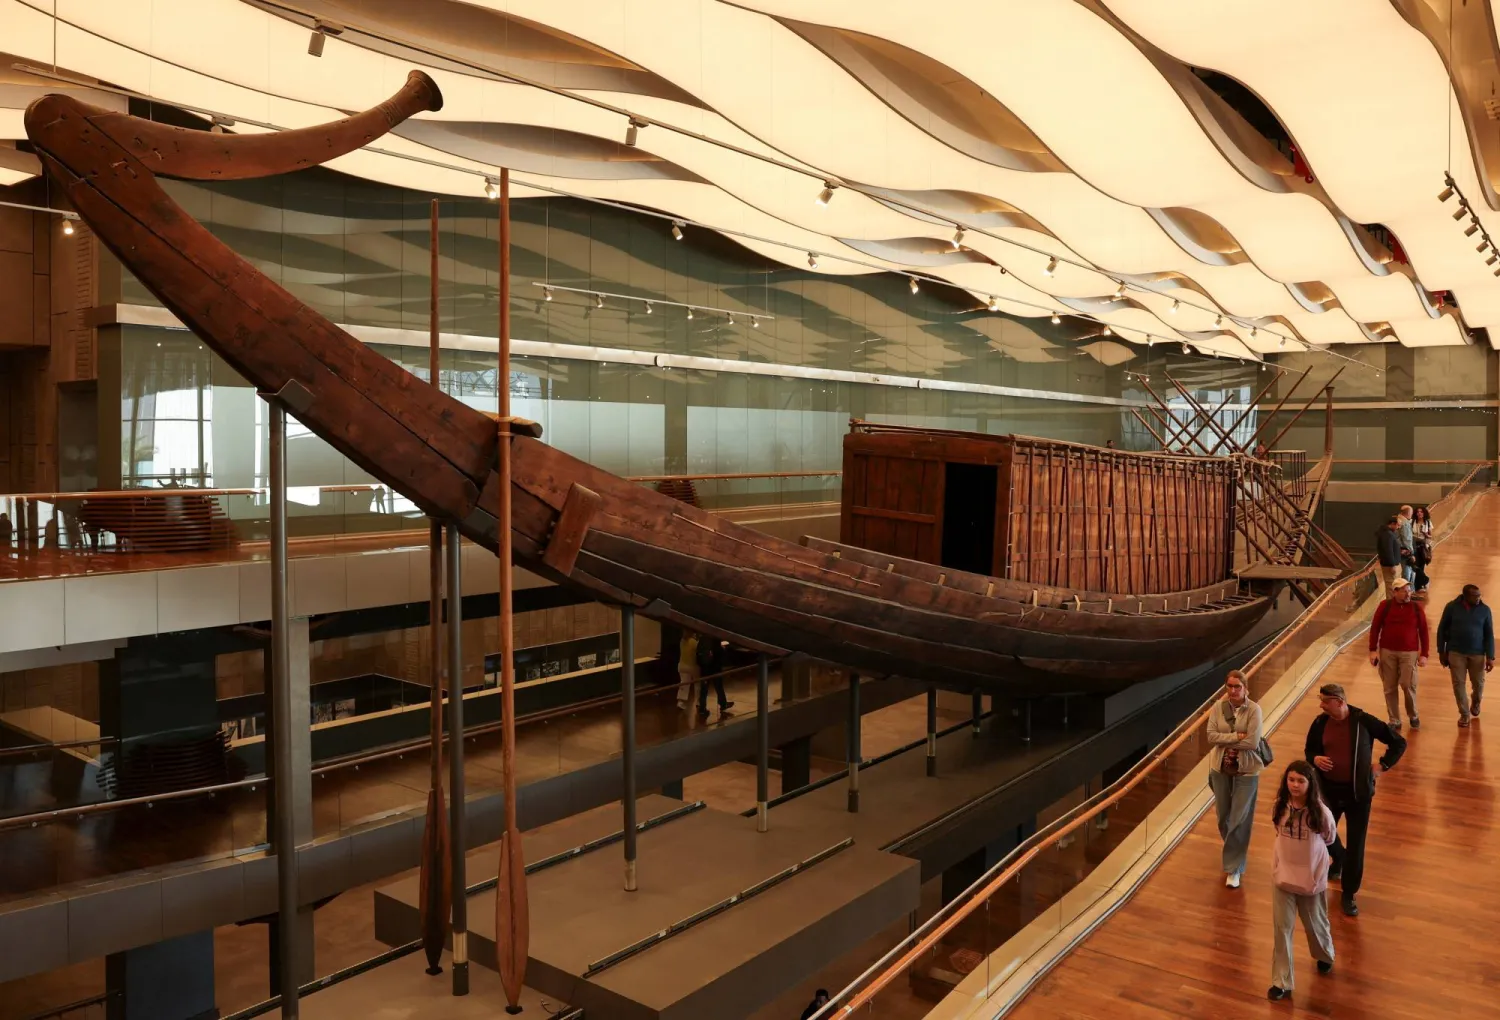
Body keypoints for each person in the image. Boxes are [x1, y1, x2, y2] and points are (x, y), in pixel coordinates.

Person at [1304, 682, 1406, 917]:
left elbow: (1398, 742)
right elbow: (1309, 750)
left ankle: (1349, 893)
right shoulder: (1320, 723)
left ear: (1339, 702)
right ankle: (1339, 858)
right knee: (1320, 831)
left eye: (1325, 701)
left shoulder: (1363, 721)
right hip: (1328, 792)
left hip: (1358, 795)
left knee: (1356, 845)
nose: (1321, 706)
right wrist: (1315, 759)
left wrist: (1383, 765)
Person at [1266, 760, 1337, 1002]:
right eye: (1291, 780)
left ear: (1310, 784)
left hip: (1311, 878)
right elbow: (1278, 831)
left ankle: (1324, 955)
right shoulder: (1279, 807)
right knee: (1281, 929)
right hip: (1283, 877)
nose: (1295, 785)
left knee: (1315, 922)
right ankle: (1281, 981)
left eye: (1300, 781)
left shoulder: (1321, 813)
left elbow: (1329, 838)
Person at [1206, 669, 1263, 887]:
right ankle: (1235, 850)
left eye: (1237, 686)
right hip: (1220, 768)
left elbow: (1252, 742)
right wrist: (1236, 736)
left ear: (1245, 688)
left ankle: (1234, 868)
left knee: (1240, 819)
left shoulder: (1254, 710)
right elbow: (1211, 736)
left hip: (1246, 771)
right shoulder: (1217, 708)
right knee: (1223, 817)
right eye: (1229, 686)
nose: (1233, 690)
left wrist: (1225, 739)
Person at [1368, 575, 1428, 731]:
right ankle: (1394, 720)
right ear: (1395, 592)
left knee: (1408, 684)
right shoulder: (1385, 606)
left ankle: (1413, 715)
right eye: (1404, 591)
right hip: (1387, 652)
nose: (1408, 594)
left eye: (1409, 590)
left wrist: (1424, 654)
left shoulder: (1416, 608)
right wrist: (1372, 650)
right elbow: (1375, 628)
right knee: (1389, 687)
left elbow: (1423, 631)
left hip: (1409, 652)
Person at [1437, 583, 1494, 728]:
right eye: (1475, 596)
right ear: (1465, 596)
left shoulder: (1485, 610)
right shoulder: (1451, 607)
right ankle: (1464, 714)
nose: (1478, 598)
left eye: (1479, 595)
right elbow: (1441, 629)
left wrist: (1490, 656)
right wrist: (1441, 651)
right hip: (1456, 652)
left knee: (1479, 684)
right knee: (1458, 684)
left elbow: (1489, 634)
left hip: (1478, 653)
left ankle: (1476, 702)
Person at [695, 634, 734, 719]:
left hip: (704, 668)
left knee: (704, 689)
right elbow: (719, 653)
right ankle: (723, 704)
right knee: (719, 687)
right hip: (715, 668)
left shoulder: (703, 639)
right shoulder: (715, 638)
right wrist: (723, 649)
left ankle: (702, 708)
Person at [1374, 516, 1403, 600]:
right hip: (1389, 565)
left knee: (1393, 585)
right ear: (1392, 524)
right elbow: (1388, 550)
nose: (1398, 527)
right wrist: (1392, 565)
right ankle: (1390, 605)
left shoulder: (1388, 533)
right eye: (1398, 525)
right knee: (1391, 586)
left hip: (1391, 564)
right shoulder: (1387, 534)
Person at [1410, 506, 1433, 593]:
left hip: (1423, 547)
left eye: (1421, 512)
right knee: (1415, 566)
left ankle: (1419, 586)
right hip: (1414, 546)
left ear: (1424, 513)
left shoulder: (1428, 522)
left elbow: (1430, 536)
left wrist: (1425, 534)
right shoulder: (1412, 522)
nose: (1419, 513)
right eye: (1418, 512)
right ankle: (1424, 580)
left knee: (1421, 566)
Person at [677, 630, 701, 711]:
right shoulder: (694, 642)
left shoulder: (682, 641)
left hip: (682, 665)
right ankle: (698, 702)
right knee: (698, 684)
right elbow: (698, 651)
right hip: (693, 666)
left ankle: (681, 702)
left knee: (684, 684)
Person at [1398, 504, 1416, 584]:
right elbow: (1407, 539)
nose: (1412, 514)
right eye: (1411, 513)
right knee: (1407, 574)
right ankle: (1406, 589)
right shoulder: (1405, 523)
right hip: (1405, 551)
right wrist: (1411, 553)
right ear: (1408, 513)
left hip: (1400, 550)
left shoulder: (1398, 519)